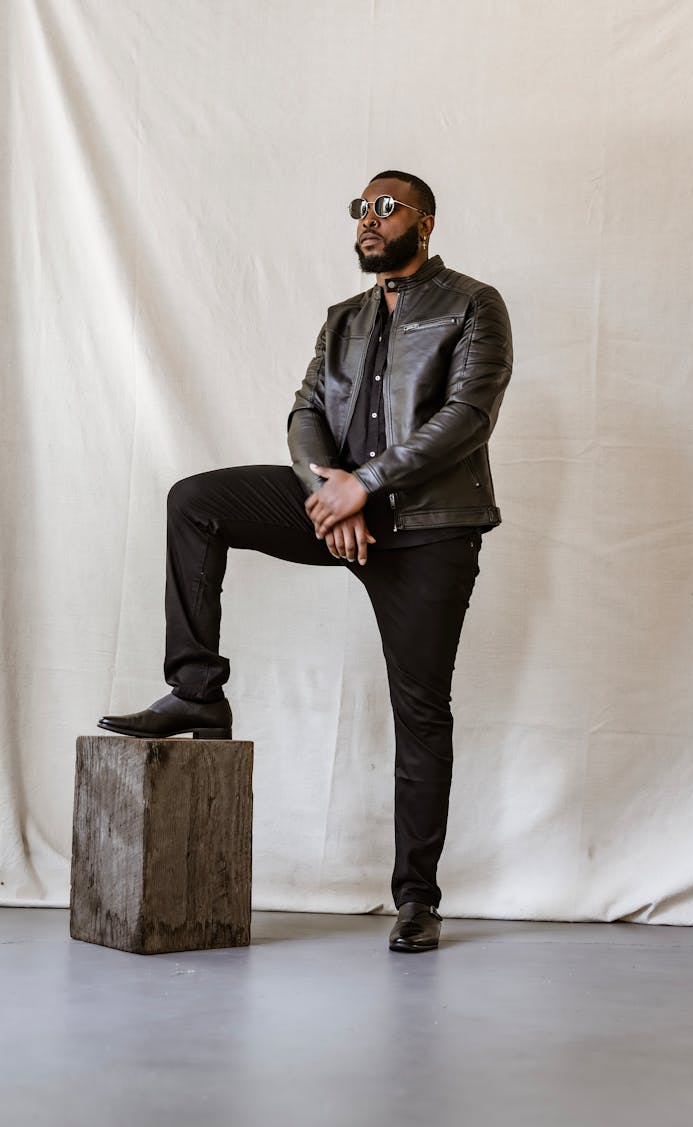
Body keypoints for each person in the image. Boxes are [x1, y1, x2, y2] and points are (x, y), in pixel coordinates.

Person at [99, 170, 513, 952]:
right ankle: (195, 692)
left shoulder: (472, 303)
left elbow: (469, 417)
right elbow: (305, 411)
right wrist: (326, 493)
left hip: (429, 526)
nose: (369, 219)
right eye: (361, 208)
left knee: (420, 712)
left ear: (425, 223)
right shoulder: (344, 319)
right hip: (341, 501)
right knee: (196, 500)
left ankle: (417, 898)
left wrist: (369, 485)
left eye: (387, 208)